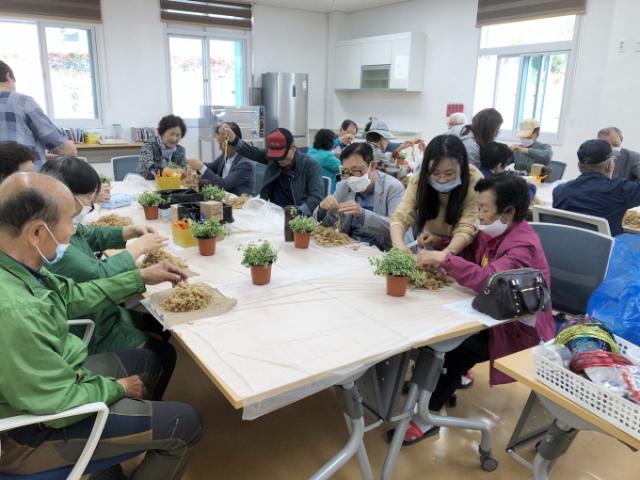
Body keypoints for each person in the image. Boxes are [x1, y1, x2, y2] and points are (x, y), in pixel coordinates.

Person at [0, 172, 201, 478]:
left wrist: (140, 277)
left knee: (149, 359)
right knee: (186, 423)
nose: (73, 232)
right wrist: (118, 388)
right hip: (29, 434)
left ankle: (113, 452)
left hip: (54, 379)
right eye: (70, 221)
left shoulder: (17, 264)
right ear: (37, 232)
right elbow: (57, 404)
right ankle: (115, 439)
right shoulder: (14, 310)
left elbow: (71, 295)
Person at [394, 174, 555, 445]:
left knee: (454, 349)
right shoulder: (496, 231)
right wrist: (440, 244)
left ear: (508, 213)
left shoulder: (522, 246)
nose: (478, 214)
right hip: (489, 311)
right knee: (434, 328)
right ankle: (437, 379)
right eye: (478, 207)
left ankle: (427, 416)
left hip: (512, 327)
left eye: (484, 208)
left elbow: (489, 279)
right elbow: (471, 254)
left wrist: (444, 260)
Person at [40, 157, 176, 399]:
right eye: (87, 202)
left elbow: (90, 235)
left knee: (158, 323)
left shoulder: (57, 223)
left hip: (96, 313)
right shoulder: (52, 244)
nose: (90, 206)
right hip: (92, 328)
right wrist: (138, 250)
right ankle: (140, 401)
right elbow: (98, 276)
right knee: (163, 351)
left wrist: (130, 231)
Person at [390, 135, 482, 256]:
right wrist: (398, 245)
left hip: (464, 248)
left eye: (449, 173)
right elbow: (401, 215)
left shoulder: (474, 180)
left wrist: (445, 255)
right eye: (435, 173)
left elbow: (468, 226)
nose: (442, 180)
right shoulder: (419, 180)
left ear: (462, 167)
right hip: (432, 243)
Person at [315, 142, 405, 250]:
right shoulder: (343, 186)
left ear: (372, 166)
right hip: (349, 247)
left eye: (356, 171)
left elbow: (397, 227)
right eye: (346, 171)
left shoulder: (393, 188)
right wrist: (322, 209)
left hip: (381, 250)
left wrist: (362, 214)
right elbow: (329, 225)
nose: (351, 177)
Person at [219, 125, 324, 215]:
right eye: (276, 157)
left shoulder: (311, 165)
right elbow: (250, 152)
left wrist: (295, 213)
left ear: (293, 148)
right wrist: (234, 139)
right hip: (273, 212)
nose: (280, 160)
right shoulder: (273, 158)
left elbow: (316, 197)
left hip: (297, 215)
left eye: (283, 156)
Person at [553, 139, 640, 236]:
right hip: (607, 245)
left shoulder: (559, 191)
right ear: (609, 165)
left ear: (579, 166)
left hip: (568, 244)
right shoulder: (620, 189)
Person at [0, 60, 77, 168]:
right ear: (8, 76)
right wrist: (71, 148)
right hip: (24, 175)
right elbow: (61, 146)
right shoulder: (21, 101)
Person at [186, 122, 255, 196]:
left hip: (239, 201)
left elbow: (224, 184)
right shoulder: (225, 155)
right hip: (223, 198)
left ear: (232, 143)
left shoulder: (246, 163)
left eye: (220, 144)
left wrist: (201, 167)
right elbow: (212, 167)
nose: (219, 148)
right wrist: (194, 165)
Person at [137, 114, 187, 179]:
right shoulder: (149, 145)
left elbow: (183, 170)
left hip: (171, 183)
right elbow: (149, 167)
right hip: (148, 182)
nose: (174, 139)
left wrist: (185, 171)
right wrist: (170, 172)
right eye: (171, 134)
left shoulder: (180, 150)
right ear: (162, 132)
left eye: (178, 135)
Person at [307, 128, 341, 193]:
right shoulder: (327, 157)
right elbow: (344, 168)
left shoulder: (310, 151)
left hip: (313, 189)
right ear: (330, 143)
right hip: (328, 193)